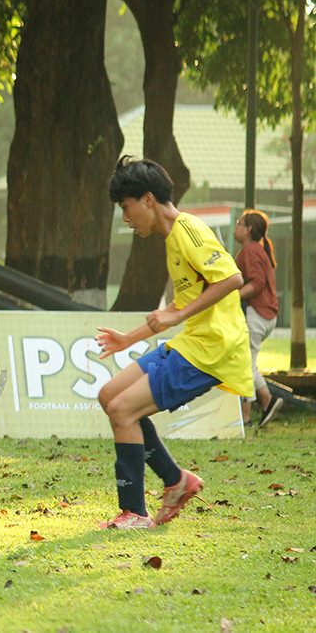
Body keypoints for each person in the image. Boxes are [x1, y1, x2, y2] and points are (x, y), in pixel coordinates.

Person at [95, 157, 252, 530]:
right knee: (109, 396)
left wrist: (177, 316)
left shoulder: (189, 231)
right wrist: (127, 339)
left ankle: (134, 512)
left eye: (126, 207)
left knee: (121, 410)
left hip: (211, 350)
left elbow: (231, 278)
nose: (126, 218)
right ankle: (177, 481)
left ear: (147, 199)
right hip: (191, 342)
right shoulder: (173, 240)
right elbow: (176, 309)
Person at [233, 210, 282, 428]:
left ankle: (248, 415)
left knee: (244, 364)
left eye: (239, 223)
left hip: (257, 314)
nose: (236, 227)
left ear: (248, 229)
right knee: (249, 363)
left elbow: (256, 283)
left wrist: (232, 296)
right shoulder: (258, 250)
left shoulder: (250, 251)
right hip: (268, 316)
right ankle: (266, 402)